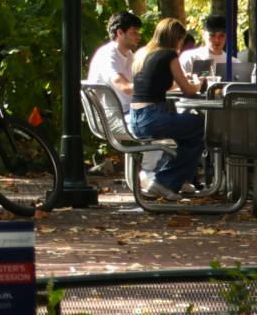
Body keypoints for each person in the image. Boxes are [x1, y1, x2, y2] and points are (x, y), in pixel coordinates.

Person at [129, 17, 206, 200]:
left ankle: (175, 179)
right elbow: (189, 91)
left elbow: (153, 84)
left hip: (137, 118)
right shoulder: (169, 55)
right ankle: (166, 181)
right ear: (176, 38)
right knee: (202, 127)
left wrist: (180, 80)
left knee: (189, 131)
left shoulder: (143, 53)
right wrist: (198, 83)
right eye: (181, 40)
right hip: (153, 117)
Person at [87, 11, 143, 100]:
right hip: (117, 113)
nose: (139, 36)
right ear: (120, 33)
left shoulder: (129, 55)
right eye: (134, 32)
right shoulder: (107, 55)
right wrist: (157, 87)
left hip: (130, 110)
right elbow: (126, 88)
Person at [178, 14, 242, 79]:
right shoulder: (189, 58)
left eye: (221, 35)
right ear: (203, 34)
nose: (217, 40)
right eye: (212, 35)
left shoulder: (234, 63)